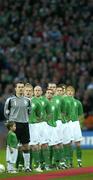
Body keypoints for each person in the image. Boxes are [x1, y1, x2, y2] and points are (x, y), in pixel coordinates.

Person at [4, 81, 32, 172]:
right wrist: (11, 123)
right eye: (19, 87)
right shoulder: (10, 100)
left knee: (26, 146)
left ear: (24, 88)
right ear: (15, 88)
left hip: (24, 124)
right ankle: (10, 168)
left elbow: (29, 112)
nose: (20, 88)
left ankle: (27, 167)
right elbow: (6, 113)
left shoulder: (28, 100)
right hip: (14, 124)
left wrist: (24, 119)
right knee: (12, 146)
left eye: (22, 87)